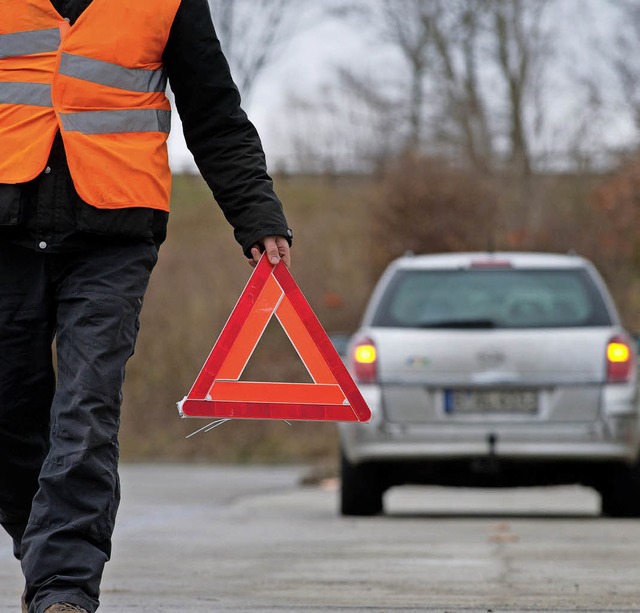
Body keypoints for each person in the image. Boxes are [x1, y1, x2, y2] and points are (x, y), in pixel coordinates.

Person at [0, 1, 292, 612]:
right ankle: (49, 551)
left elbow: (214, 115)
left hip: (113, 235)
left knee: (87, 406)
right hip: (7, 232)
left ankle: (63, 588)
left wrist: (256, 215)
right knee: (9, 412)